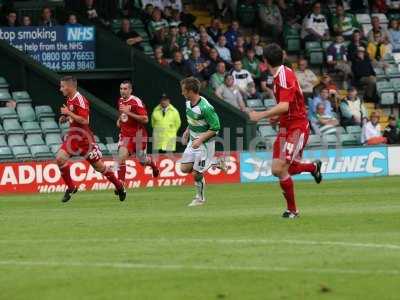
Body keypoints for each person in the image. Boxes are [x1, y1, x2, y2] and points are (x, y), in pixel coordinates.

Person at [248, 43, 322, 219]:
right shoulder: (282, 74)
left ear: (265, 61)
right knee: (277, 169)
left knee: (282, 167)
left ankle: (293, 211)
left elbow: (284, 105)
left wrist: (262, 115)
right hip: (285, 125)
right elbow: (287, 104)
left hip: (297, 126)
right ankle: (313, 167)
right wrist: (276, 116)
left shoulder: (282, 77)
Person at [56, 76, 126, 202]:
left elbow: (85, 120)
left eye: (62, 86)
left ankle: (119, 186)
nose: (60, 89)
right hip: (73, 138)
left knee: (100, 168)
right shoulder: (70, 99)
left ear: (70, 86)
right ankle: (71, 187)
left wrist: (69, 113)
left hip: (85, 140)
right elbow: (75, 116)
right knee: (60, 158)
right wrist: (66, 117)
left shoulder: (80, 99)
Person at [180, 77, 221, 206]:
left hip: (204, 145)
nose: (182, 93)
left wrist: (201, 139)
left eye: (184, 91)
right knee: (184, 168)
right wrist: (187, 131)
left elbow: (216, 128)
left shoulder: (206, 107)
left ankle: (199, 199)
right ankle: (214, 162)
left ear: (191, 91)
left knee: (197, 173)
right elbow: (192, 120)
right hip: (192, 141)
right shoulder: (188, 103)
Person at [116, 80, 159, 185]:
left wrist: (128, 112)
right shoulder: (120, 100)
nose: (123, 91)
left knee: (142, 161)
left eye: (125, 89)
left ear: (130, 90)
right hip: (125, 135)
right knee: (121, 157)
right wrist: (120, 119)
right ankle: (121, 184)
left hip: (138, 136)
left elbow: (145, 119)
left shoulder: (136, 101)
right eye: (121, 89)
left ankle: (152, 165)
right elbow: (123, 114)